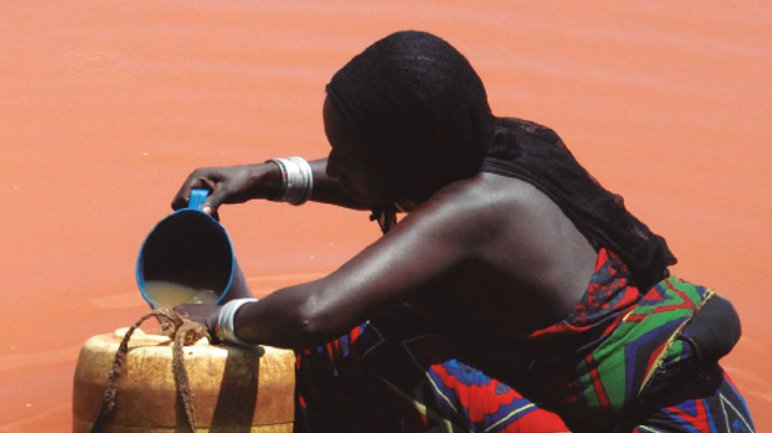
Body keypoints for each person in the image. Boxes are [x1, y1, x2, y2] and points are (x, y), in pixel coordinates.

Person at [173, 31, 755, 433]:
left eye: (347, 155)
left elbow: (311, 314)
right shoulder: (495, 150)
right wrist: (275, 177)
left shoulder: (474, 211)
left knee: (352, 343)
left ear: (409, 159)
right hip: (705, 409)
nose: (335, 165)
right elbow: (372, 181)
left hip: (655, 422)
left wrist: (214, 319)